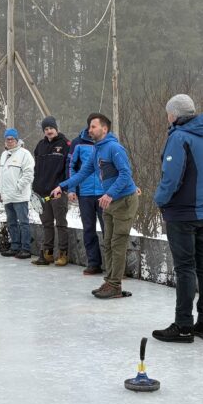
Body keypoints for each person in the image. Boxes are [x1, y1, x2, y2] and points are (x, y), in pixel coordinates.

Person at [151, 95, 203, 343]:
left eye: (168, 113)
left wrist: (159, 199)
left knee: (185, 269)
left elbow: (171, 178)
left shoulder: (179, 137)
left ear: (175, 114)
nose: (167, 117)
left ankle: (183, 325)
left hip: (183, 213)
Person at [52, 113, 138, 299]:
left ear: (104, 129)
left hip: (123, 200)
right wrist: (63, 186)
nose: (89, 130)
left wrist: (109, 193)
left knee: (117, 242)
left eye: (93, 127)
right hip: (110, 201)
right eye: (89, 127)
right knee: (107, 242)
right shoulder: (97, 150)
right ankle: (109, 281)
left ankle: (115, 285)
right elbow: (82, 173)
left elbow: (125, 174)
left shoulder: (114, 148)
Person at [67, 120, 105, 275]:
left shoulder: (108, 142)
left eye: (95, 126)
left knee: (108, 230)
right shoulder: (77, 143)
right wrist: (71, 188)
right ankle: (94, 263)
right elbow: (72, 167)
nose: (92, 129)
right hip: (85, 194)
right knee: (89, 229)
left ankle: (114, 267)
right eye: (90, 126)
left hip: (105, 194)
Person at [32, 116, 70, 266]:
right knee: (46, 223)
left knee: (61, 223)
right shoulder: (40, 145)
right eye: (46, 129)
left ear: (56, 128)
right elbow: (37, 169)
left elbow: (69, 168)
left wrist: (64, 187)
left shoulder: (65, 144)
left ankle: (63, 254)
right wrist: (35, 187)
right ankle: (47, 254)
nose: (49, 131)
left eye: (51, 128)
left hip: (58, 191)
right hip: (42, 192)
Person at [0, 128, 35, 260]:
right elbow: (1, 176)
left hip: (19, 196)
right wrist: (0, 192)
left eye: (12, 139)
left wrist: (19, 187)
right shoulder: (4, 155)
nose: (9, 141)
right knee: (11, 223)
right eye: (7, 139)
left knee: (23, 222)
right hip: (7, 196)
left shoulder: (24, 154)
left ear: (17, 140)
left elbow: (29, 174)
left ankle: (25, 249)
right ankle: (14, 246)